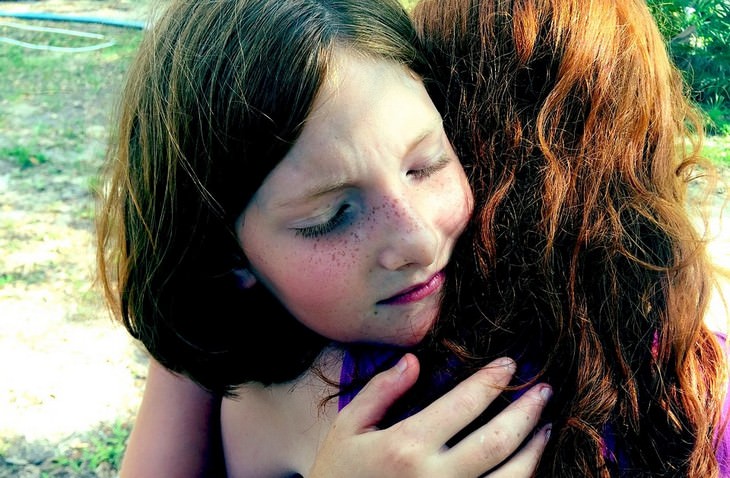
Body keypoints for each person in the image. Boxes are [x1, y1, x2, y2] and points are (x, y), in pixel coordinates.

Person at [95, 0, 551, 476]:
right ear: (226, 254)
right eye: (331, 216)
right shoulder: (206, 349)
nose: (417, 241)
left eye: (426, 165)